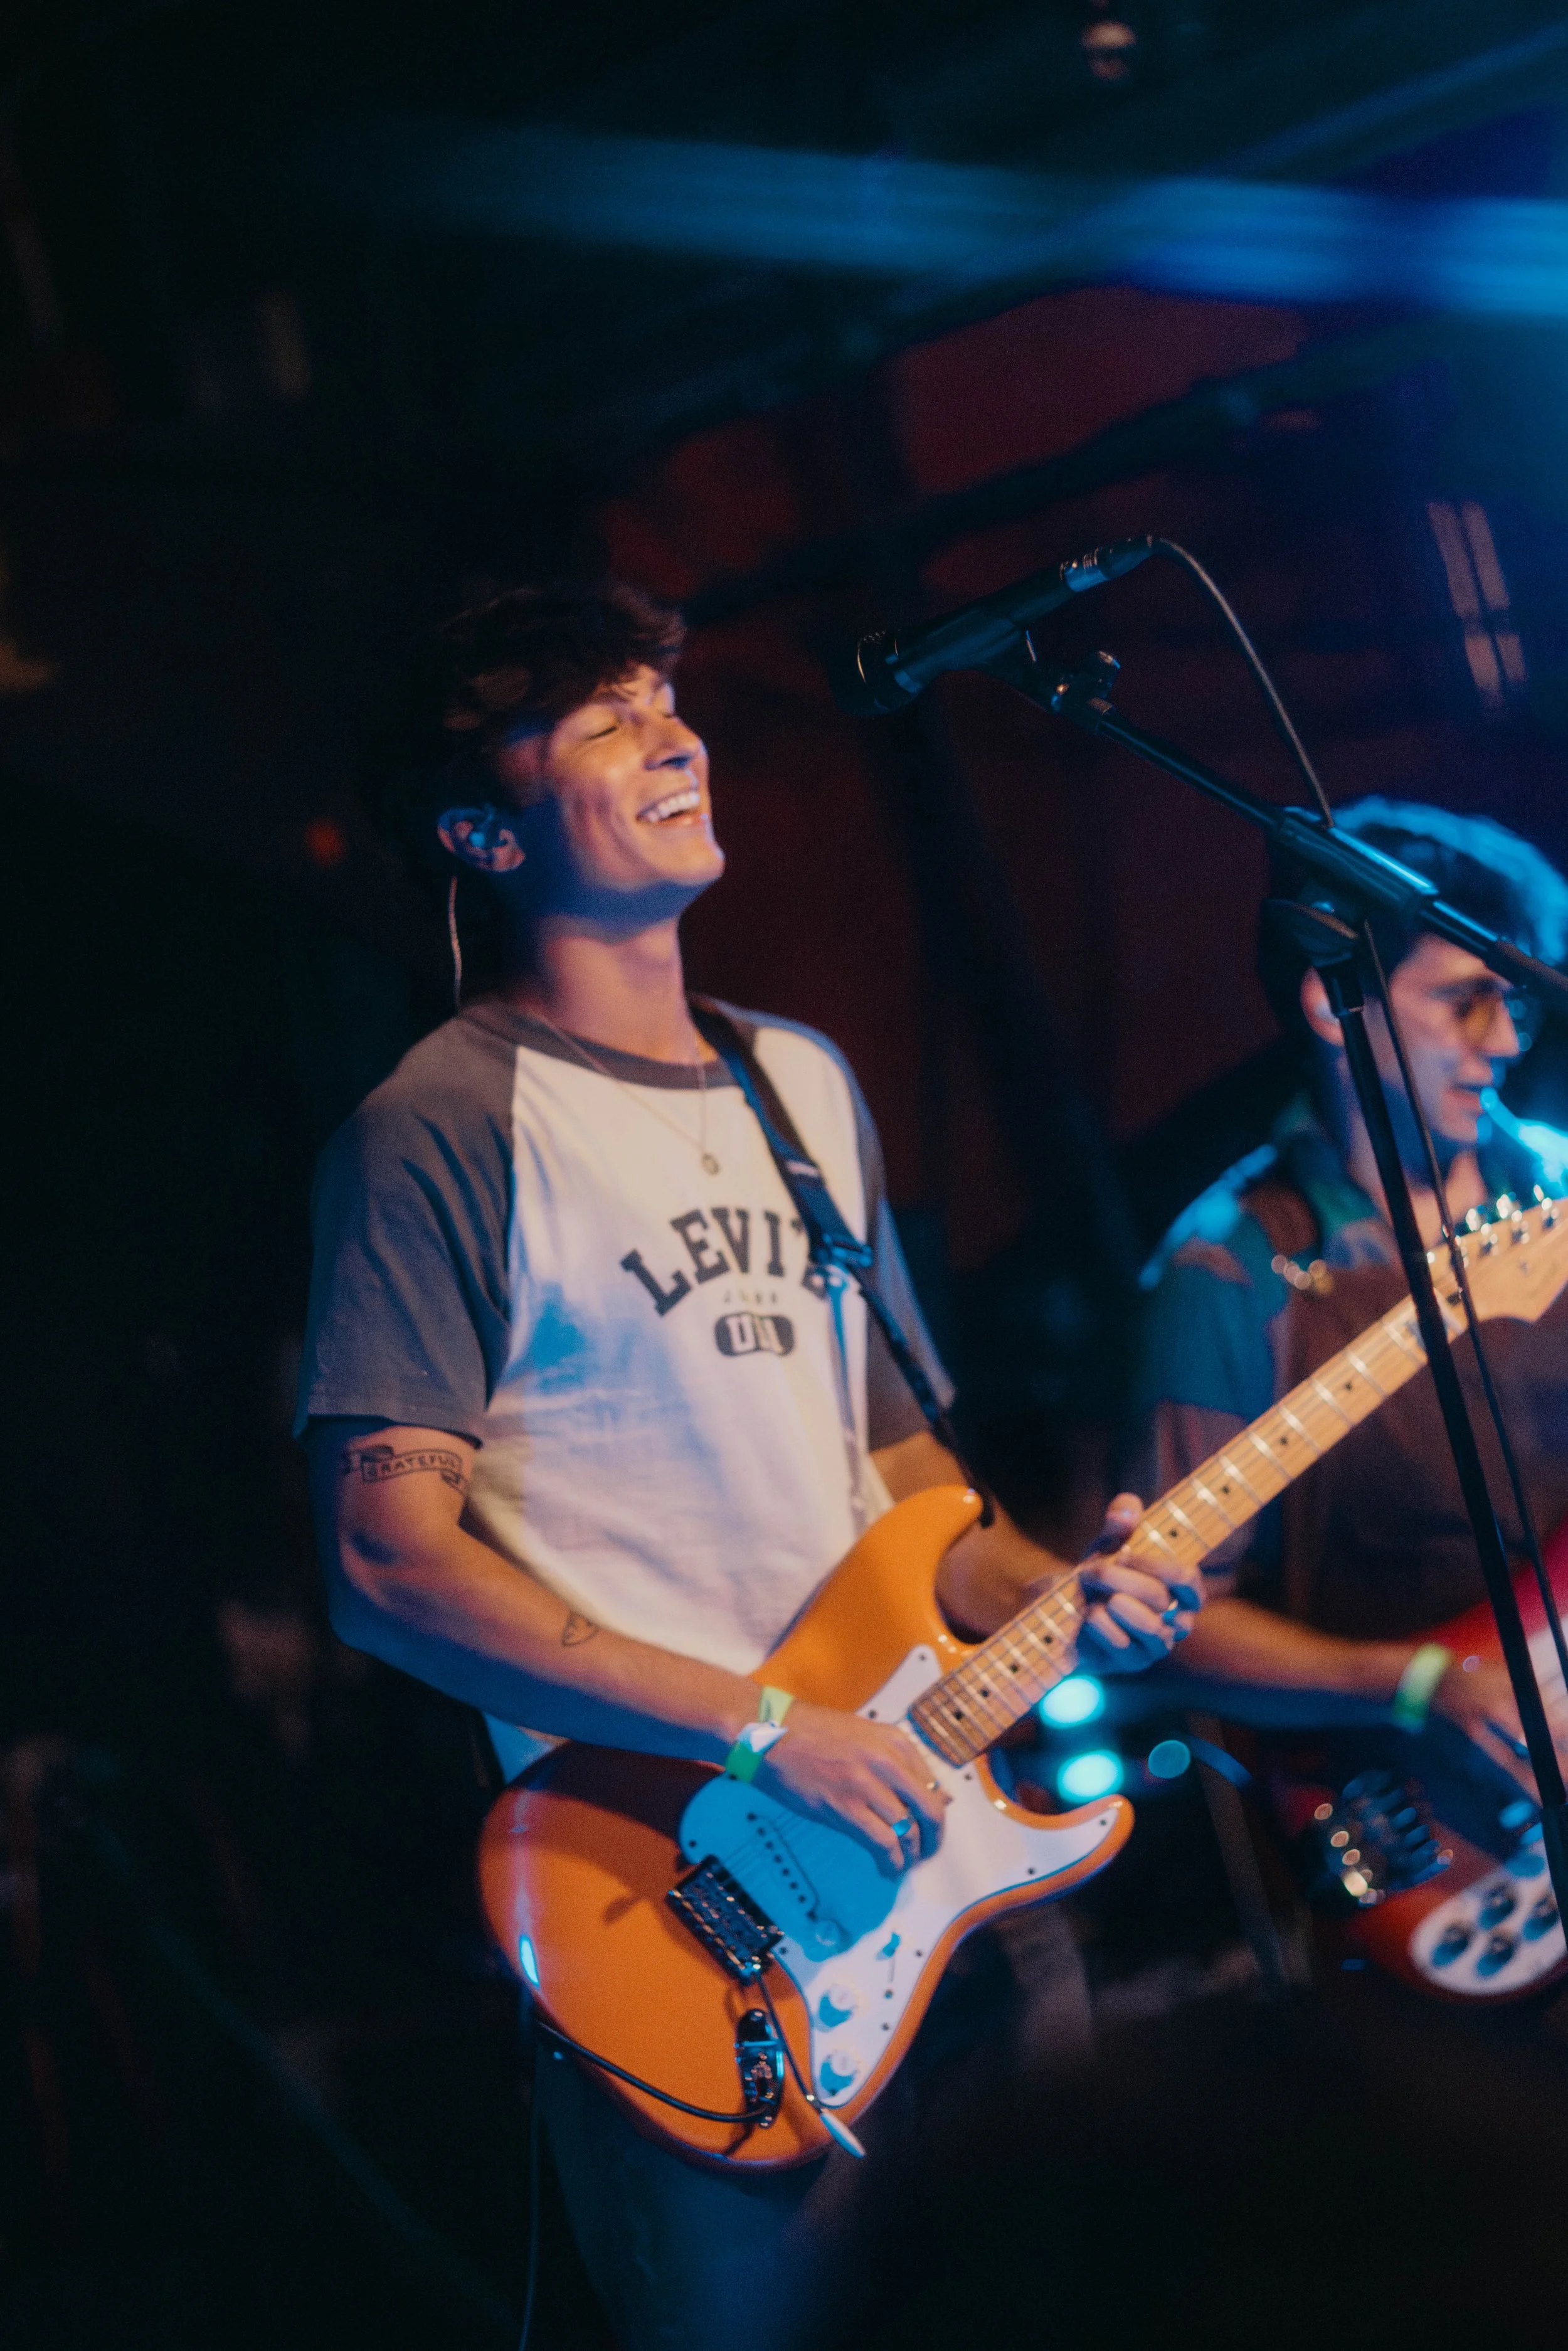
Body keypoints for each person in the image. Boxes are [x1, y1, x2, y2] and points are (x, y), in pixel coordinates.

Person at [294, 580, 1198, 2350]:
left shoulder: (798, 1081)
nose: (675, 733)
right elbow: (389, 1562)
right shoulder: (439, 1126)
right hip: (693, 1904)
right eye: (606, 718)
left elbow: (907, 1481)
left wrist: (1052, 1590)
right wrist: (770, 1729)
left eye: (666, 697)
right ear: (480, 829)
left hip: (946, 1843)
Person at [1128, 797, 1568, 1829]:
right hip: (1437, 1827)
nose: (1506, 1039)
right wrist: (1415, 1685)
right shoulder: (1231, 1265)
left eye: (1523, 1002)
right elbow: (1175, 1618)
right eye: (1464, 999)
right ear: (1336, 1004)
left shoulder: (1558, 1191)